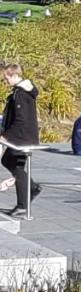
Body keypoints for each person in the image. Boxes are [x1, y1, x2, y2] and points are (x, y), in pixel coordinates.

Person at [0, 64, 41, 216]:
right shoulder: (24, 91)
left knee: (15, 165)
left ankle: (23, 203)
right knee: (11, 163)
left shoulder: (20, 94)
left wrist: (6, 135)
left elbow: (21, 119)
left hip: (21, 137)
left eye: (7, 78)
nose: (6, 81)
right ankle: (31, 188)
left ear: (15, 75)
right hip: (23, 136)